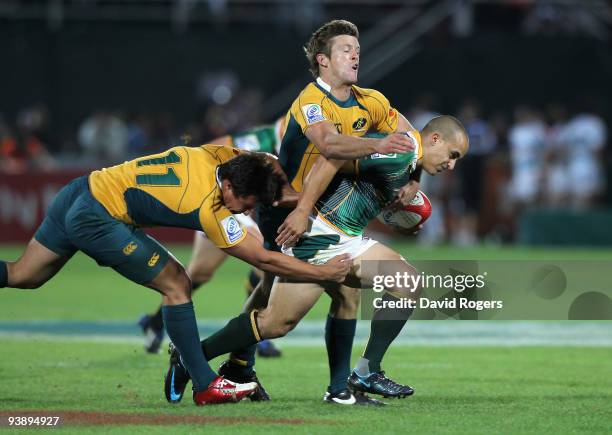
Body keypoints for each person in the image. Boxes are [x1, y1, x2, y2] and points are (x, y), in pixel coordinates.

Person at [0, 144, 349, 406]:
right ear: (228, 188)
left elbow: (265, 161)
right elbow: (265, 260)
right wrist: (322, 271)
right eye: (246, 203)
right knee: (178, 284)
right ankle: (203, 384)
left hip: (83, 189)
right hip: (97, 217)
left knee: (22, 275)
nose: (246, 211)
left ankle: (195, 373)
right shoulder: (209, 208)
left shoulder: (216, 157)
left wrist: (297, 201)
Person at [165, 116, 468, 405]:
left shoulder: (407, 156)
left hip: (346, 237)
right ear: (435, 139)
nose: (452, 165)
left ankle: (364, 373)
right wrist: (300, 208)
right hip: (320, 239)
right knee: (275, 323)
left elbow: (368, 174)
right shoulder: (398, 152)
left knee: (404, 282)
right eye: (452, 154)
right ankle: (190, 358)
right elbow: (332, 158)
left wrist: (410, 185)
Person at [139, 118, 285, 357]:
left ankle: (154, 323)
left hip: (242, 210)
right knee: (265, 258)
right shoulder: (264, 139)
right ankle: (255, 335)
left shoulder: (308, 143)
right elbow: (211, 150)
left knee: (200, 272)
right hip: (224, 204)